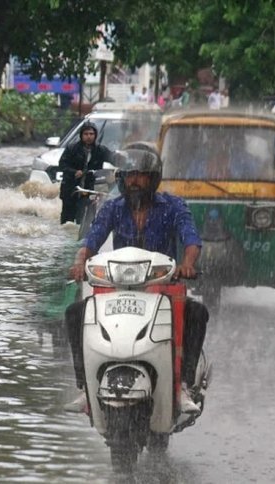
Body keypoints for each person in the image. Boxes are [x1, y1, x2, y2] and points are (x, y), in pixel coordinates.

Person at [63, 143, 208, 415]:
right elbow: (91, 241)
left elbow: (191, 240)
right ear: (121, 178)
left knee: (197, 313)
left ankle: (184, 385)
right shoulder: (112, 208)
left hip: (163, 288)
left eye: (141, 175)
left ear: (153, 178)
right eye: (129, 175)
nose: (135, 181)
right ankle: (85, 388)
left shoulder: (174, 206)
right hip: (118, 287)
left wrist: (187, 264)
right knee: (75, 314)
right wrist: (80, 262)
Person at [57, 122, 113, 224]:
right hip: (71, 189)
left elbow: (114, 158)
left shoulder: (100, 150)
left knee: (84, 220)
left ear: (95, 135)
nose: (89, 137)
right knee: (67, 221)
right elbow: (62, 164)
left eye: (91, 134)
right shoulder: (72, 148)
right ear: (81, 135)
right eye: (86, 134)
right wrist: (74, 172)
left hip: (89, 190)